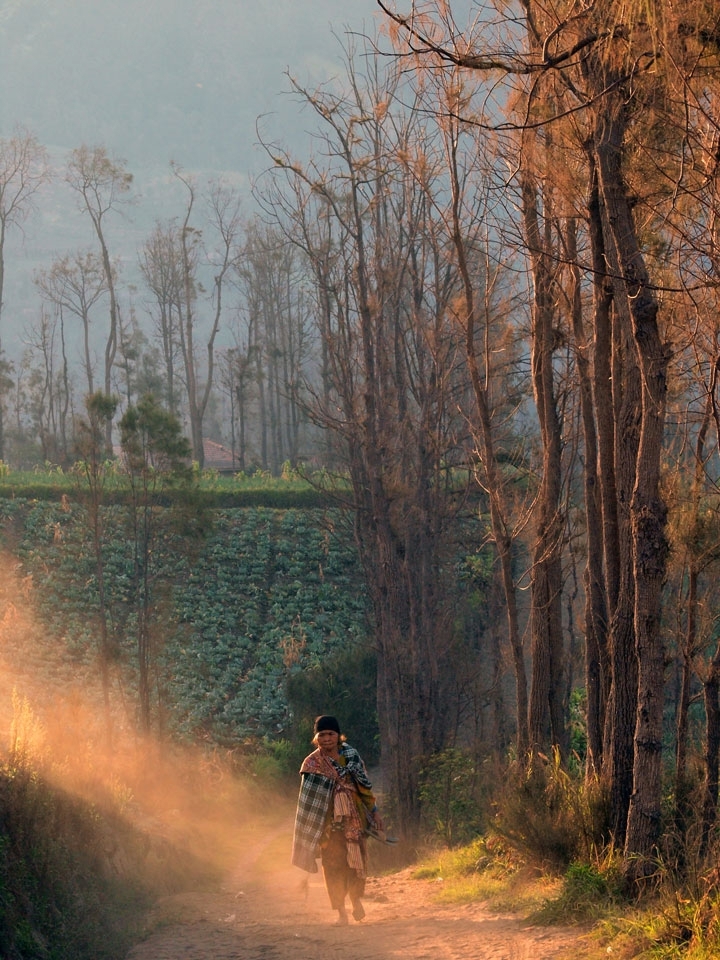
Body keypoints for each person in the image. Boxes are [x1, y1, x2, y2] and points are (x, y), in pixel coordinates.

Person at [291, 715, 383, 925]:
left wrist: (374, 812)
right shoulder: (312, 763)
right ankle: (341, 913)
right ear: (316, 738)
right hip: (328, 828)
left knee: (356, 864)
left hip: (354, 822)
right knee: (333, 869)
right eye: (321, 735)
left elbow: (364, 787)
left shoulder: (351, 755)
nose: (326, 739)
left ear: (338, 735)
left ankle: (356, 901)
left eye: (330, 734)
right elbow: (308, 801)